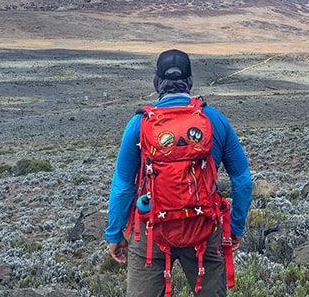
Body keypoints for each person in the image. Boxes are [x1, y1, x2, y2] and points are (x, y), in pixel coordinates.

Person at [105, 49, 252, 296]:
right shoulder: (214, 119)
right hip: (204, 227)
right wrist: (235, 227)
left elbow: (123, 186)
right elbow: (242, 181)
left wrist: (115, 232)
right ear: (190, 80)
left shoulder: (139, 124)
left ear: (157, 81)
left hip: (151, 228)